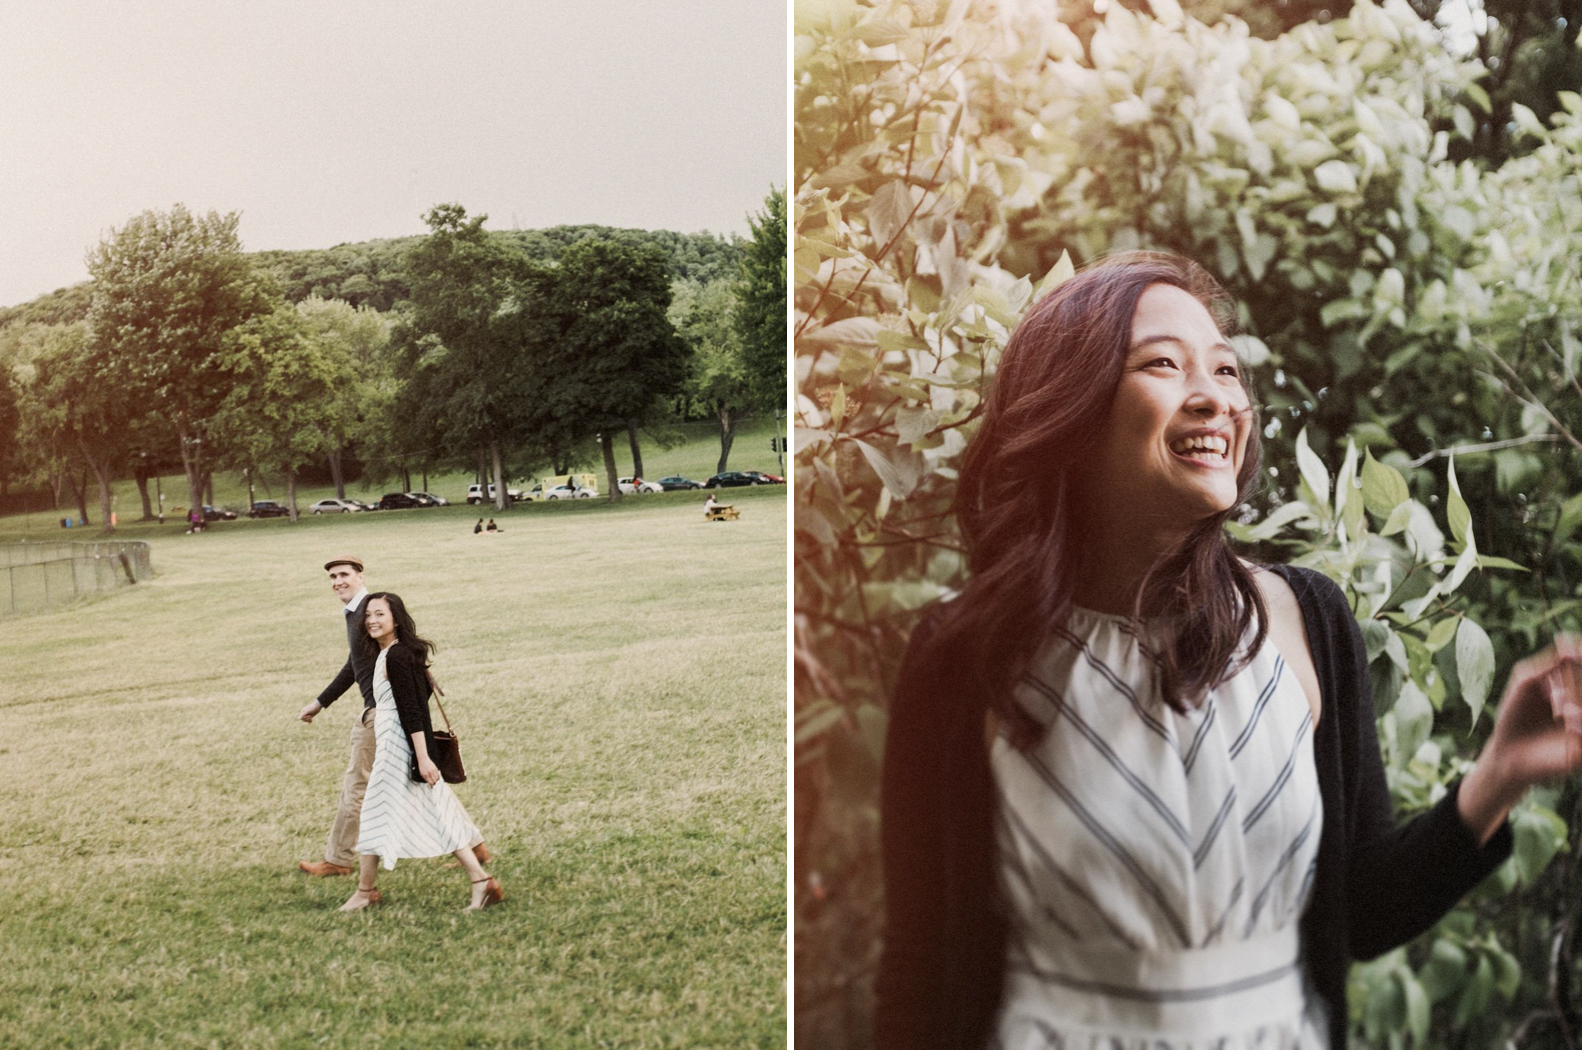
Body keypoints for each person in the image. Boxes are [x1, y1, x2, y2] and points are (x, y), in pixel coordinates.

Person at [875, 252, 1582, 1050]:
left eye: (1225, 368)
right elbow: (918, 972)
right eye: (1165, 365)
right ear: (1069, 406)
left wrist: (1501, 774)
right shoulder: (965, 658)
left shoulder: (1303, 619)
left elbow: (1367, 911)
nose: (1217, 397)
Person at [298, 556, 489, 877]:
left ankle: (339, 859)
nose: (337, 581)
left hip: (383, 715)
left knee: (359, 785)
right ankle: (474, 846)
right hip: (382, 712)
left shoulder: (369, 611)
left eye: (344, 574)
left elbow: (403, 667)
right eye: (332, 577)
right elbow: (354, 663)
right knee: (426, 783)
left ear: (360, 576)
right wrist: (321, 701)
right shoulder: (359, 614)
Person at [338, 592, 502, 912]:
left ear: (396, 619)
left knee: (384, 811)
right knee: (421, 811)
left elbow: (412, 710)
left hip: (398, 748)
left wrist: (423, 758)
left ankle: (479, 881)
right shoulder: (393, 653)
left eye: (380, 614)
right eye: (368, 615)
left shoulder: (396, 656)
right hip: (398, 744)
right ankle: (366, 889)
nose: (371, 620)